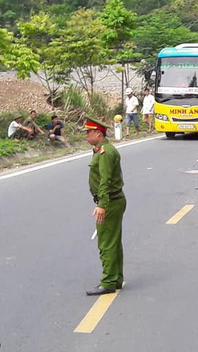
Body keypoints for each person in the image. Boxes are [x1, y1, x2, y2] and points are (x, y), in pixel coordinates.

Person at [84, 116, 126, 296]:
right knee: (114, 241)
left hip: (110, 202)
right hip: (114, 200)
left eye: (88, 132)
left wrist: (102, 205)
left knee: (107, 242)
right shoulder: (101, 149)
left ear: (98, 133)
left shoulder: (106, 153)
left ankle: (108, 281)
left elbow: (105, 180)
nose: (86, 135)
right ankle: (116, 278)